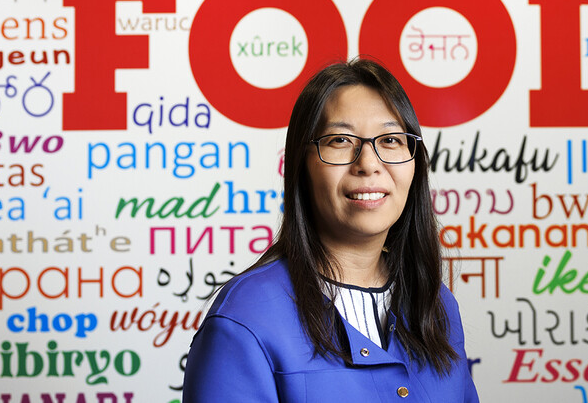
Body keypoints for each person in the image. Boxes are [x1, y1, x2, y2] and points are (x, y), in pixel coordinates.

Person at [183, 58, 479, 402]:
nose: (368, 163)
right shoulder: (246, 317)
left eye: (391, 140)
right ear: (301, 164)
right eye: (340, 140)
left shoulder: (436, 305)